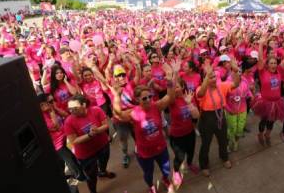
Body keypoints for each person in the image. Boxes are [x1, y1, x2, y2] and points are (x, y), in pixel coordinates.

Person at [111, 61, 179, 193]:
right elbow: (118, 114)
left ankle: (166, 180)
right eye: (144, 98)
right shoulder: (133, 113)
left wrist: (171, 77)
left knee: (166, 169)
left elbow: (170, 96)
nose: (148, 99)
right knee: (148, 174)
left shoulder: (156, 106)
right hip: (144, 153)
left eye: (150, 96)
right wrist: (117, 96)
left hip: (161, 148)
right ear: (137, 100)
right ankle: (151, 187)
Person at [196, 58, 240, 177]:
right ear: (204, 79)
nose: (213, 79)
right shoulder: (201, 89)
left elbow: (236, 83)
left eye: (214, 76)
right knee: (206, 144)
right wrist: (207, 76)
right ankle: (204, 165)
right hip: (207, 119)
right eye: (210, 77)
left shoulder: (222, 86)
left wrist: (235, 71)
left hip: (220, 116)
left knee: (223, 140)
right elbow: (200, 94)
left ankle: (224, 157)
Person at [64, 94, 115, 193]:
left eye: (74, 108)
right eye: (69, 109)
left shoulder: (96, 110)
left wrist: (97, 130)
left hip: (103, 146)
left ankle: (103, 172)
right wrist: (90, 135)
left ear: (83, 105)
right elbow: (74, 141)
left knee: (103, 162)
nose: (71, 111)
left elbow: (106, 125)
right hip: (86, 155)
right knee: (91, 176)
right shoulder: (68, 122)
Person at [37, 93, 85, 181]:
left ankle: (64, 176)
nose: (53, 102)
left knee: (64, 160)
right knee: (71, 159)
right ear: (42, 104)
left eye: (53, 100)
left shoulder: (52, 109)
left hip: (64, 138)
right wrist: (51, 112)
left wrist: (55, 108)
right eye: (50, 101)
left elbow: (66, 115)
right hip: (57, 144)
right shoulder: (42, 116)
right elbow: (56, 127)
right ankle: (80, 176)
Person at [253, 35, 284, 146]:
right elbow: (260, 59)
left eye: (275, 63)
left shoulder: (278, 71)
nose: (273, 64)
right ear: (267, 65)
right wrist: (260, 45)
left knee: (272, 120)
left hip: (277, 102)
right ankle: (260, 134)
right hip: (265, 102)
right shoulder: (263, 72)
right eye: (271, 63)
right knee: (263, 121)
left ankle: (268, 135)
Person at [168, 78, 201, 188]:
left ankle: (190, 164)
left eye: (177, 86)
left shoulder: (189, 97)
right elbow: (170, 92)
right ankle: (176, 171)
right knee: (180, 157)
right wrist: (173, 77)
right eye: (174, 87)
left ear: (183, 87)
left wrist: (189, 103)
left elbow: (196, 116)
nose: (175, 89)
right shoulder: (171, 101)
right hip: (177, 136)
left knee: (191, 152)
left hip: (190, 132)